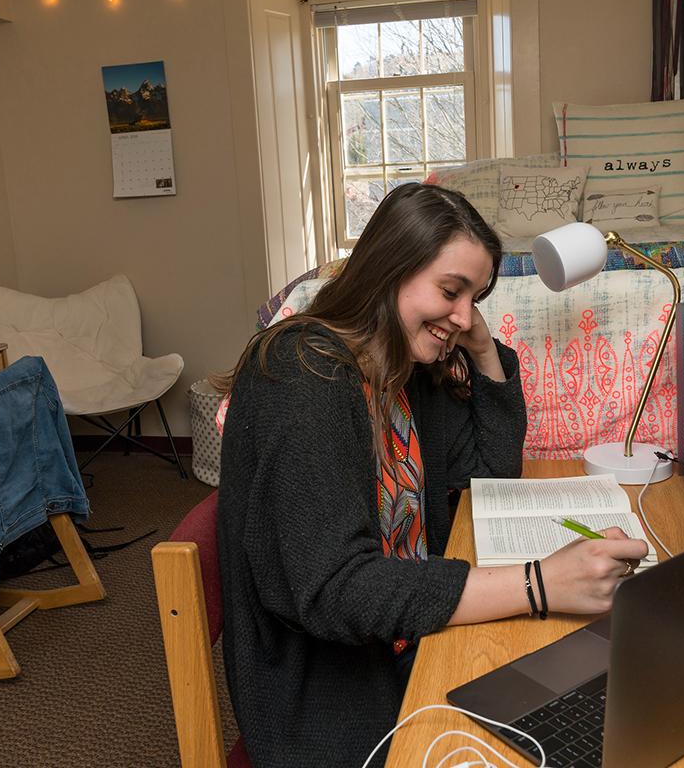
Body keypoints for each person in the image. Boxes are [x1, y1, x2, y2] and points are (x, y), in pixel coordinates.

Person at [215, 182, 648, 767]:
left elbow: (492, 470)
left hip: (407, 640)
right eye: (451, 290)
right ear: (388, 269)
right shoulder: (302, 374)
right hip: (333, 695)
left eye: (475, 297)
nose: (464, 314)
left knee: (595, 693)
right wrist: (537, 583)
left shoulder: (399, 372)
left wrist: (484, 349)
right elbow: (337, 590)